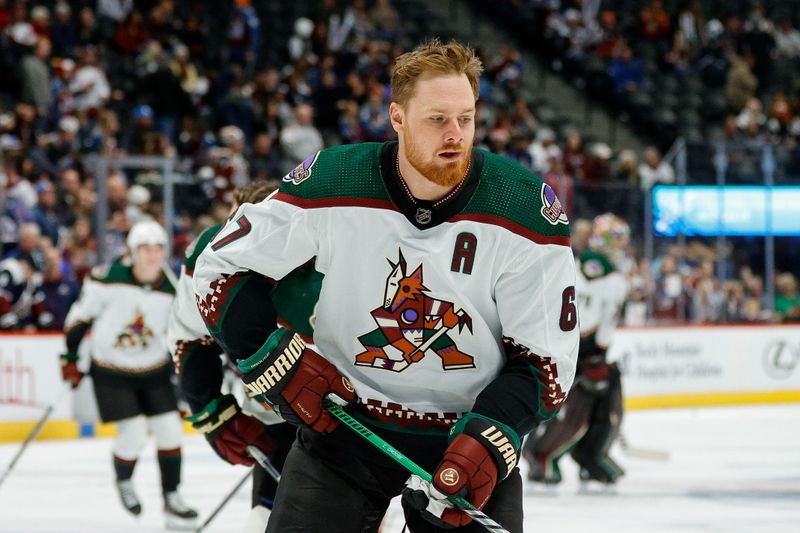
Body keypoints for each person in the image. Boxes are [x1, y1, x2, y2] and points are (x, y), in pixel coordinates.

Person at [193, 39, 579, 532]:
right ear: (397, 117)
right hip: (342, 426)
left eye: (466, 117)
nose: (455, 134)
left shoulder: (525, 209)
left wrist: (492, 435)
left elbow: (547, 360)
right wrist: (269, 356)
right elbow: (220, 266)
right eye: (437, 119)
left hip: (465, 436)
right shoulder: (333, 181)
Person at [168, 182, 322, 532]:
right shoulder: (209, 261)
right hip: (272, 414)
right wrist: (213, 412)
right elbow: (191, 338)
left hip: (341, 419)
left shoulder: (336, 255)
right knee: (262, 521)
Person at [61, 220, 198, 529]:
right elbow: (79, 319)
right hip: (111, 371)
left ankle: (172, 496)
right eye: (146, 249)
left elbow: (181, 329)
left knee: (170, 431)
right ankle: (124, 481)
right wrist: (68, 358)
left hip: (153, 370)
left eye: (158, 248)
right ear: (133, 251)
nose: (152, 255)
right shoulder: (107, 279)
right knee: (133, 432)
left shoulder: (172, 287)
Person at [523, 213, 629, 487]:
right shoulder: (612, 278)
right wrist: (597, 354)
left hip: (561, 343)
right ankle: (544, 454)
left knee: (601, 402)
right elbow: (598, 324)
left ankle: (589, 455)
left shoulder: (573, 262)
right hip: (583, 352)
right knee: (576, 408)